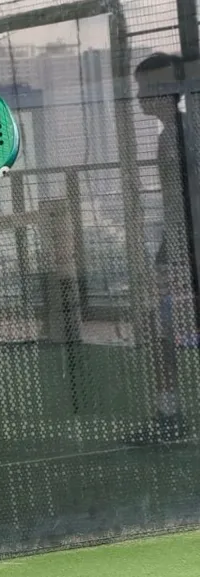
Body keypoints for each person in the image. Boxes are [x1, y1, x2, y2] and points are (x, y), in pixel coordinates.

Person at [129, 52, 198, 443]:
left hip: (185, 247)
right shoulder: (174, 131)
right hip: (178, 245)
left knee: (165, 332)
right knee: (164, 331)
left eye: (148, 88)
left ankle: (169, 417)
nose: (141, 96)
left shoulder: (181, 133)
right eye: (141, 88)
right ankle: (168, 416)